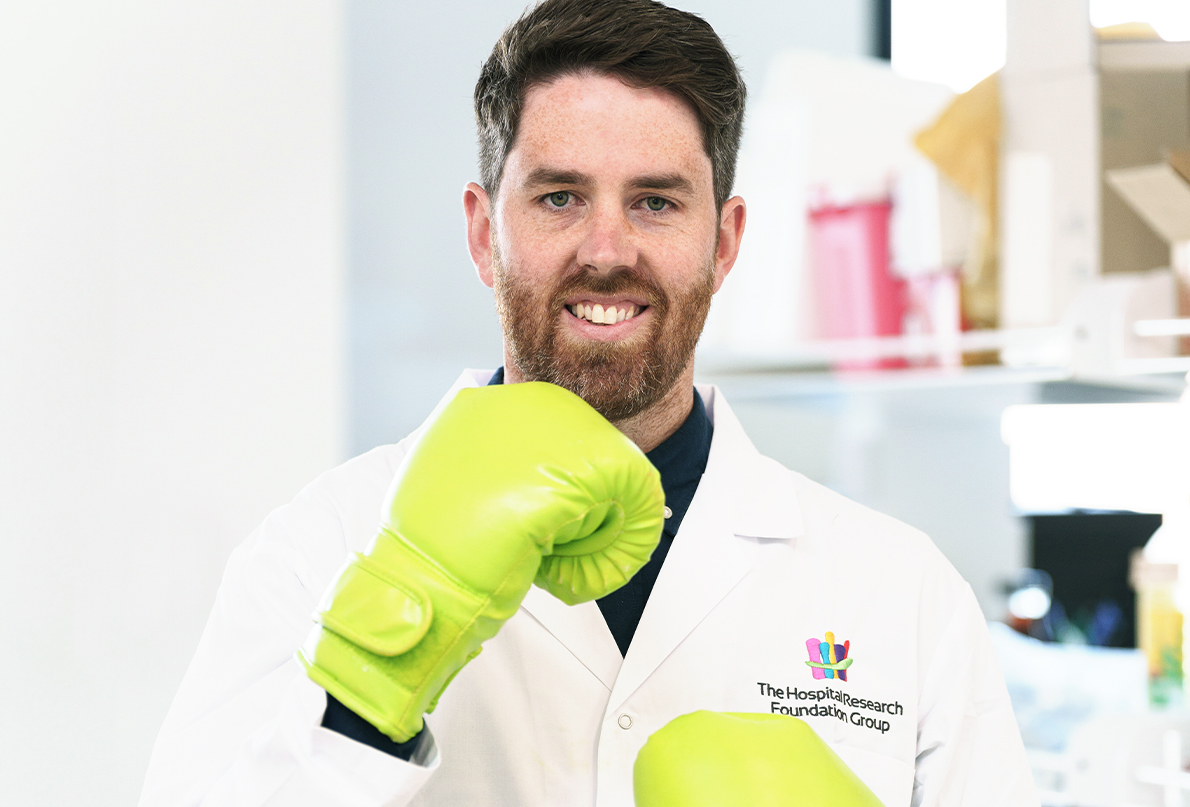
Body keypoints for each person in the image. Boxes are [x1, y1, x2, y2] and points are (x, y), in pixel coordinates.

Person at [140, 0, 1038, 805]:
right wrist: (380, 672)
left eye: (654, 202)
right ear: (483, 232)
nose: (606, 249)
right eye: (560, 197)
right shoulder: (318, 550)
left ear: (724, 244)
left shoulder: (902, 592)